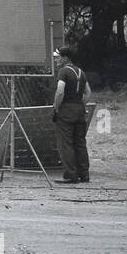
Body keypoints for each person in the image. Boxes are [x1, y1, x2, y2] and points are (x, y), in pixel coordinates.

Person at [52, 46, 92, 183]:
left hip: (66, 111)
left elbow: (60, 91)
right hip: (79, 110)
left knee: (66, 143)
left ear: (65, 58)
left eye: (57, 57)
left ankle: (71, 174)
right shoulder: (81, 72)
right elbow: (88, 93)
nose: (55, 59)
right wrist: (80, 104)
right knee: (80, 143)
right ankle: (84, 174)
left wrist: (56, 107)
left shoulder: (63, 72)